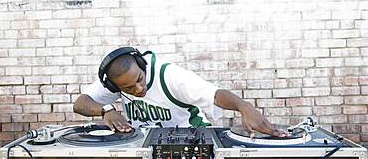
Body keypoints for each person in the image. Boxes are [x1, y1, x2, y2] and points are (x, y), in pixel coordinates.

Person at [73, 47, 287, 138]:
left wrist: (244, 107)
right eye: (128, 89)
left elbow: (215, 94)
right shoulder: (116, 79)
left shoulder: (170, 75)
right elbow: (80, 103)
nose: (138, 89)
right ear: (114, 86)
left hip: (190, 139)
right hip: (143, 143)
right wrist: (106, 110)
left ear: (142, 66)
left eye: (140, 80)